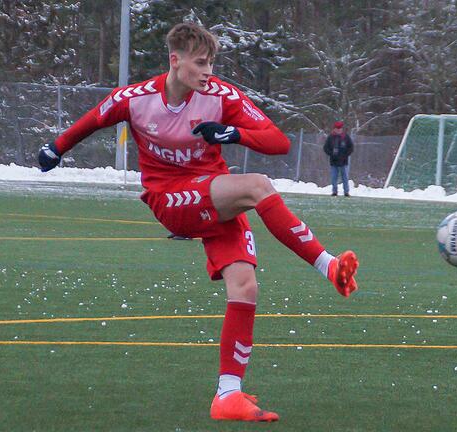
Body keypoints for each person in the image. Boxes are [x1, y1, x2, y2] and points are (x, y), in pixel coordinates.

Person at [37, 22, 359, 423]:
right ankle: (328, 266)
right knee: (258, 186)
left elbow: (279, 142)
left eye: (212, 64)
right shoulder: (136, 99)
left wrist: (231, 133)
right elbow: (96, 118)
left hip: (213, 195)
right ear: (175, 60)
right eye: (201, 63)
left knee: (246, 286)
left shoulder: (220, 97)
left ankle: (228, 395)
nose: (209, 72)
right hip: (169, 199)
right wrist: (56, 147)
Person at [323, 121, 354, 196]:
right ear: (334, 129)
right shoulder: (330, 137)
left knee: (345, 177)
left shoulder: (346, 137)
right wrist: (331, 154)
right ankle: (334, 191)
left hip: (344, 161)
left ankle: (346, 192)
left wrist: (346, 155)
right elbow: (325, 148)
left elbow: (351, 147)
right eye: (337, 128)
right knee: (334, 178)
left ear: (342, 129)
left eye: (340, 128)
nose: (338, 130)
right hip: (333, 161)